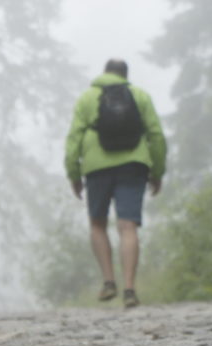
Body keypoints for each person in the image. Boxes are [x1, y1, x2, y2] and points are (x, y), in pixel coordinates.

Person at [65, 59, 166, 308]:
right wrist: (157, 171)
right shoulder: (139, 95)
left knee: (98, 224)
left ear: (105, 73)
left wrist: (74, 174)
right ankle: (130, 288)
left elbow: (74, 138)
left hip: (96, 167)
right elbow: (156, 135)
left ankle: (109, 281)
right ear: (125, 75)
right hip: (134, 164)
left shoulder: (87, 98)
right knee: (128, 226)